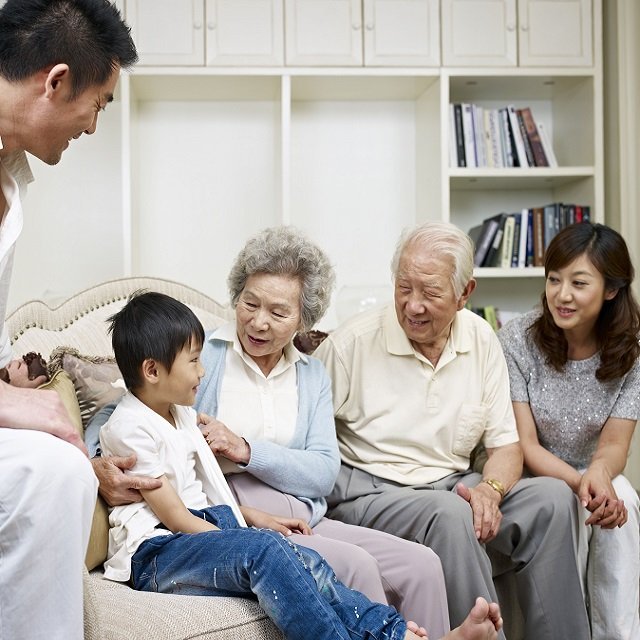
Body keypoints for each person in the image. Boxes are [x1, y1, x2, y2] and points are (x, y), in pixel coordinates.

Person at [99, 290, 503, 640]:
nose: (201, 371)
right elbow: (176, 516)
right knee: (268, 552)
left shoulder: (180, 412)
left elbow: (208, 492)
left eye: (278, 312)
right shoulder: (131, 429)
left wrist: (255, 519)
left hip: (201, 530)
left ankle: (396, 633)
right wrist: (243, 537)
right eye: (192, 361)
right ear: (152, 371)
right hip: (158, 553)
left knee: (308, 561)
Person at [314, 220, 592, 640]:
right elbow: (305, 437)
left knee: (552, 499)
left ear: (465, 294)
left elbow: (506, 446)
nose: (412, 305)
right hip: (369, 492)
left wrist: (491, 490)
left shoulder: (481, 339)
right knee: (451, 514)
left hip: (453, 483)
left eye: (430, 293)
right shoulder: (351, 345)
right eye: (404, 287)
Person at [193, 226, 449, 637]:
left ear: (302, 319)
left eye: (278, 313)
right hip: (246, 519)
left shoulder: (311, 374)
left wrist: (244, 449)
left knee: (422, 565)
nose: (258, 321)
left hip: (309, 516)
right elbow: (129, 407)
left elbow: (323, 472)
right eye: (249, 303)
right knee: (356, 563)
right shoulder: (203, 355)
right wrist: (99, 460)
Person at [0, 2, 137, 639]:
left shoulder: (10, 175)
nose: (93, 125)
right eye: (101, 104)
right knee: (51, 474)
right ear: (56, 81)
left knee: (61, 464)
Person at [497, 222, 640, 640]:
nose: (561, 295)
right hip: (530, 474)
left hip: (590, 472)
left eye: (579, 283)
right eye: (554, 280)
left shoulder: (631, 350)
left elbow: (615, 445)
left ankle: (617, 634)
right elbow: (523, 444)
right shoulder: (517, 340)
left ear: (611, 289)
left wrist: (598, 475)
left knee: (625, 499)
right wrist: (584, 483)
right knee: (574, 503)